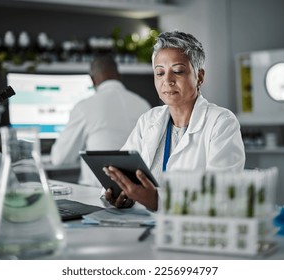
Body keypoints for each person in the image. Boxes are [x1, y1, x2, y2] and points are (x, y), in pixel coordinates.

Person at [103, 30, 245, 211]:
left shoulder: (221, 122)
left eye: (177, 71)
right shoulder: (149, 120)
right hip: (144, 226)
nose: (167, 80)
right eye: (160, 73)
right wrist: (119, 193)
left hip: (193, 233)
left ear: (199, 77)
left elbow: (220, 195)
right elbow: (121, 172)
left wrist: (158, 201)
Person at [50, 54, 151, 186]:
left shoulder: (84, 107)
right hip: (138, 192)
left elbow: (59, 158)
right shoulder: (143, 105)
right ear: (119, 76)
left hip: (97, 194)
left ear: (92, 80)